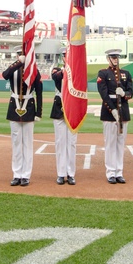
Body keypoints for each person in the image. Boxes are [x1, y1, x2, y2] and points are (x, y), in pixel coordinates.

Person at [2, 53, 43, 187]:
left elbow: (39, 92)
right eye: (19, 54)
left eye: (23, 54)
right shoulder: (13, 67)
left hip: (29, 106)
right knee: (16, 143)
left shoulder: (33, 70)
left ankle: (25, 175)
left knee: (27, 143)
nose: (21, 56)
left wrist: (39, 112)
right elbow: (5, 75)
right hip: (14, 106)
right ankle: (16, 174)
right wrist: (19, 63)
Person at [97, 49, 132, 184]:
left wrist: (124, 94)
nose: (116, 59)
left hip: (123, 110)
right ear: (108, 59)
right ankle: (111, 172)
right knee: (110, 143)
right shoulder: (103, 73)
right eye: (113, 57)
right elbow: (103, 94)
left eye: (117, 57)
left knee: (120, 143)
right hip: (109, 112)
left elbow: (131, 92)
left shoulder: (126, 74)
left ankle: (119, 172)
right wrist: (112, 109)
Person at [50, 48, 76, 185]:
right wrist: (68, 68)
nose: (68, 58)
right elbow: (57, 78)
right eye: (66, 56)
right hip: (59, 108)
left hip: (73, 109)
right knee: (60, 142)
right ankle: (61, 173)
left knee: (71, 143)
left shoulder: (77, 71)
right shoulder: (56, 70)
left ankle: (71, 173)